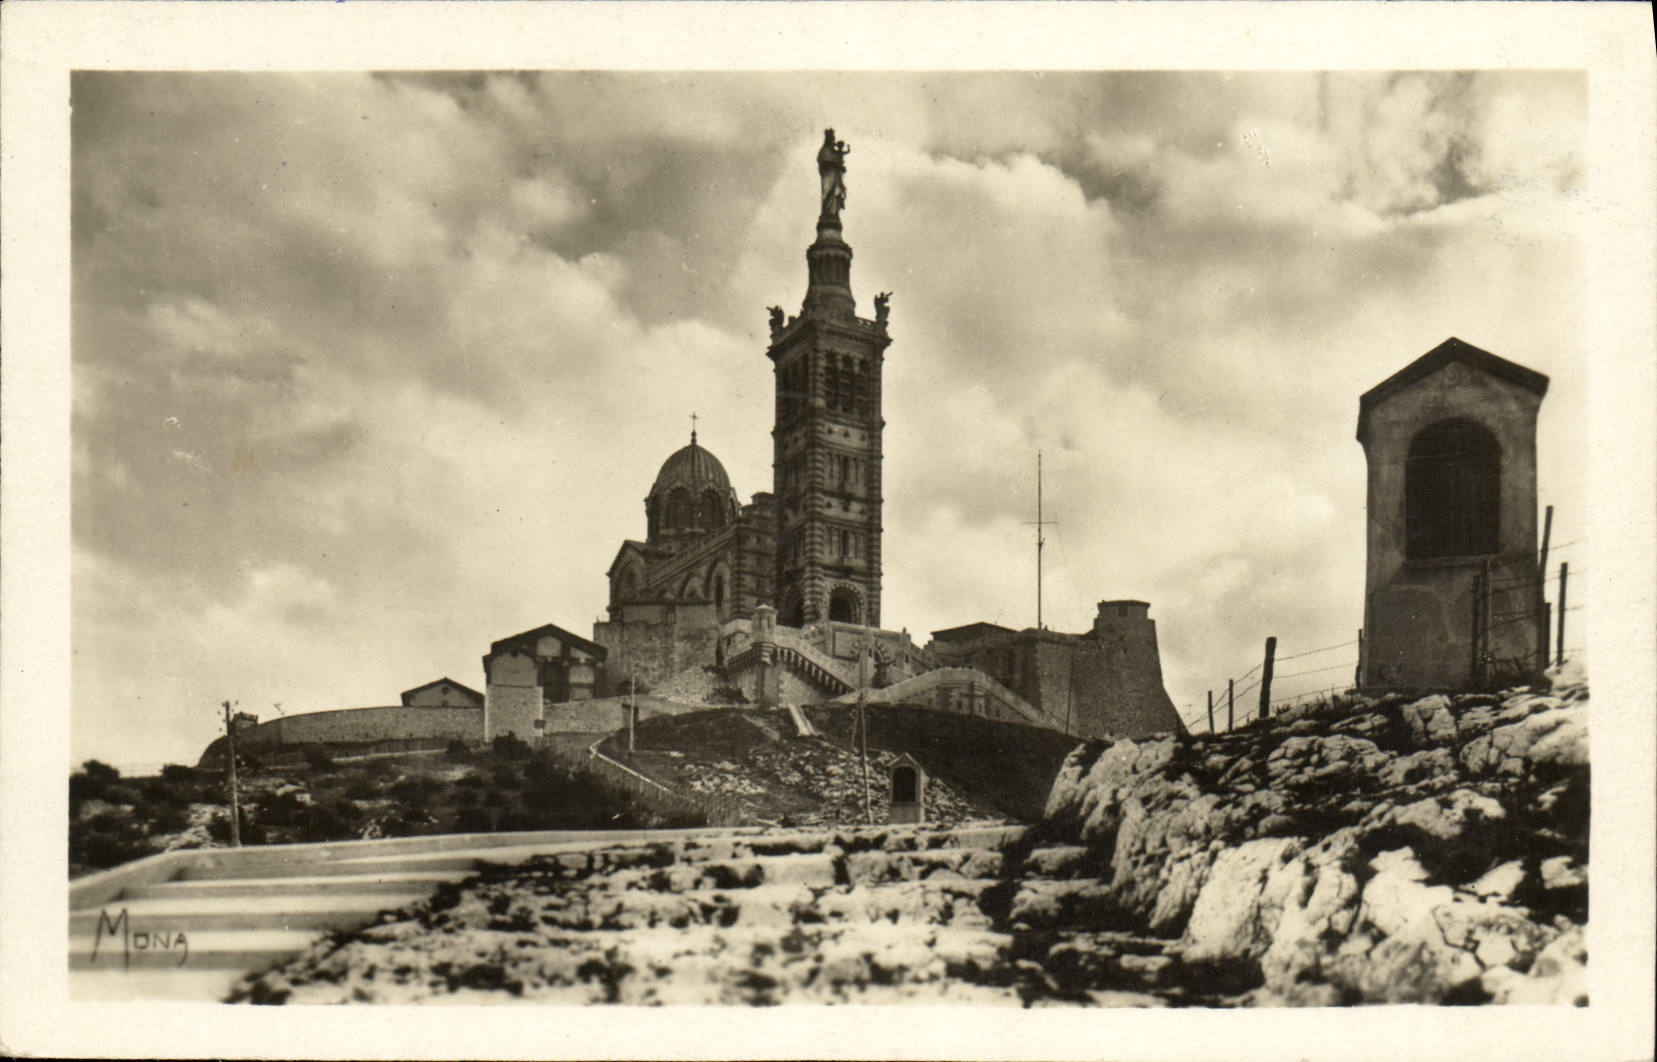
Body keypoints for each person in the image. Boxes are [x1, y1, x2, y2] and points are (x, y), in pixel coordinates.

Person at [817, 128, 849, 217]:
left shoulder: (834, 152)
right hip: (828, 176)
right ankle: (827, 213)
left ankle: (834, 213)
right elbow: (823, 160)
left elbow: (839, 161)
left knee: (835, 194)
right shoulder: (824, 150)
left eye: (833, 139)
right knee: (827, 194)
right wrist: (836, 163)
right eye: (831, 139)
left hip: (835, 177)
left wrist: (841, 167)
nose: (833, 141)